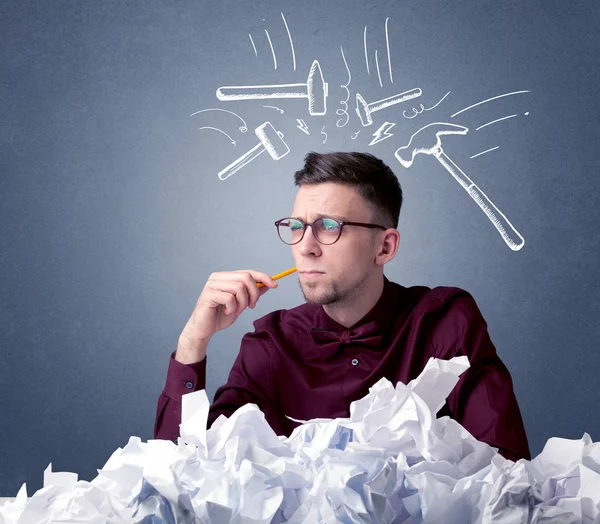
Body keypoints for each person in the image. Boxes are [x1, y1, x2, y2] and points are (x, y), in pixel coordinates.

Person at [154, 151, 531, 462]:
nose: (305, 246)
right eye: (297, 226)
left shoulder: (445, 321)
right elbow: (182, 477)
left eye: (329, 226)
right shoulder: (270, 344)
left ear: (384, 247)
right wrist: (193, 342)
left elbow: (507, 468)